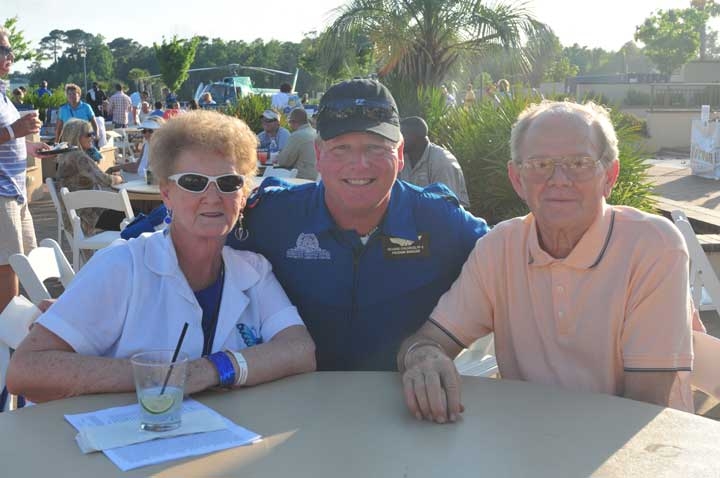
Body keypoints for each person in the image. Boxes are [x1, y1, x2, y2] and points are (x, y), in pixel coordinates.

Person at [398, 100, 697, 424]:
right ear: (517, 179)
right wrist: (422, 357)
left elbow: (644, 407)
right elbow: (428, 340)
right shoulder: (499, 248)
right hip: (529, 444)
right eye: (540, 165)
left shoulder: (653, 246)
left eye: (579, 163)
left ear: (609, 176)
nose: (559, 179)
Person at [6, 110, 316, 403]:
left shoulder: (253, 271)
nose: (212, 196)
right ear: (166, 193)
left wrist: (210, 369)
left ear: (243, 193)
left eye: (228, 183)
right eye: (193, 183)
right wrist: (162, 376)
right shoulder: (122, 267)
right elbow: (25, 371)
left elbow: (300, 349)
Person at [228, 79, 489, 371]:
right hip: (292, 405)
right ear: (319, 154)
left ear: (400, 154)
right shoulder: (273, 215)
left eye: (376, 148)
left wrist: (434, 346)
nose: (360, 164)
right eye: (341, 148)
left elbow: (507, 263)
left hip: (406, 406)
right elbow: (185, 248)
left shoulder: (440, 221)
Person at [0, 27, 49, 313]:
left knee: (28, 263)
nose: (12, 55)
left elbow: (7, 138)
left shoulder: (4, 93)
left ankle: (21, 333)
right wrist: (15, 129)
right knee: (9, 269)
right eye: (5, 50)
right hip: (3, 193)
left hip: (14, 192)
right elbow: (7, 132)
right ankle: (9, 347)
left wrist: (30, 147)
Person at [55, 119, 125, 234]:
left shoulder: (64, 156)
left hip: (76, 216)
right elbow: (105, 180)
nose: (92, 137)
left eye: (92, 134)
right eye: (88, 134)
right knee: (136, 217)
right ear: (77, 136)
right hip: (89, 218)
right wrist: (119, 178)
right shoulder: (79, 157)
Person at [399, 116, 470, 208]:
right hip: (415, 217)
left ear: (417, 137)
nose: (399, 141)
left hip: (447, 217)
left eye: (403, 135)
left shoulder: (442, 161)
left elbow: (448, 206)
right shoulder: (403, 159)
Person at [274, 107, 317, 180]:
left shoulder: (296, 136)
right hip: (317, 179)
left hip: (301, 180)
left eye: (289, 122)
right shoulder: (316, 132)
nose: (289, 126)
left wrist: (278, 156)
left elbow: (284, 162)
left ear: (293, 122)